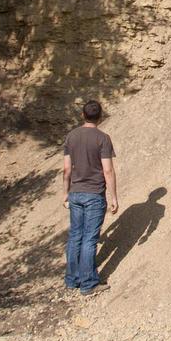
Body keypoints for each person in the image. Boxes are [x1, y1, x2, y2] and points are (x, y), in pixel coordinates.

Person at [62, 100, 118, 295]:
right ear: (100, 117)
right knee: (89, 239)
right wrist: (114, 197)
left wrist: (65, 193)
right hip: (94, 193)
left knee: (75, 235)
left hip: (75, 193)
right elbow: (108, 170)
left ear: (82, 115)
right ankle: (88, 283)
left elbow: (67, 169)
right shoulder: (102, 138)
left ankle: (71, 279)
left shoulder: (71, 136)